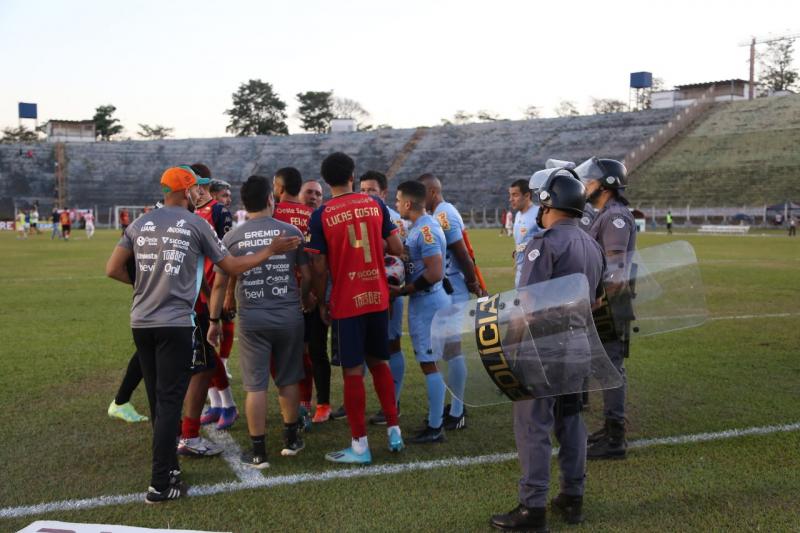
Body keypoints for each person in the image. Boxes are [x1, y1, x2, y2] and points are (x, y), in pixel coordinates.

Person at [105, 165, 300, 503]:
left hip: (141, 321)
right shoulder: (197, 223)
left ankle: (168, 469)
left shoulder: (139, 223)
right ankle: (160, 484)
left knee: (156, 399)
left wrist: (145, 286)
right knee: (169, 403)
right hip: (176, 323)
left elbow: (113, 269)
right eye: (196, 189)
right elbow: (233, 268)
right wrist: (270, 250)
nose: (200, 194)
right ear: (185, 191)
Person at [490, 168, 605, 532]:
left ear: (547, 202)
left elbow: (526, 306)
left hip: (544, 346)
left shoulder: (544, 242)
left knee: (533, 425)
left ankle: (532, 508)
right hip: (579, 344)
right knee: (570, 420)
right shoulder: (592, 243)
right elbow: (598, 300)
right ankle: (573, 497)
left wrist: (508, 352)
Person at [306, 152, 405, 464]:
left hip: (347, 299)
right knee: (380, 363)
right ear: (353, 175)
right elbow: (397, 248)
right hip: (377, 295)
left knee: (352, 371)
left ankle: (360, 445)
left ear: (326, 180)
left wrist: (323, 302)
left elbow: (319, 267)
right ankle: (394, 430)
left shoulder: (321, 214)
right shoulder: (375, 204)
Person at [207, 175, 312, 468]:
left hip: (252, 318)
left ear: (244, 203)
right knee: (289, 378)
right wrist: (302, 299)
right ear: (271, 199)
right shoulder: (290, 231)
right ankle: (291, 441)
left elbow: (219, 284)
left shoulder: (231, 237)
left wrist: (214, 320)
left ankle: (258, 452)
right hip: (289, 315)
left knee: (256, 386)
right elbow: (307, 276)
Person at [575, 157, 636, 460]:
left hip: (610, 301)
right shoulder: (603, 214)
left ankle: (615, 438)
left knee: (611, 368)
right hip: (602, 299)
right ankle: (610, 428)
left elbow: (615, 268)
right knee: (602, 366)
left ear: (606, 184)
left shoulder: (615, 217)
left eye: (590, 180)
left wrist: (600, 300)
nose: (585, 185)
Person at [418, 173, 484, 430]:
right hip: (447, 290)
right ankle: (456, 406)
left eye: (422, 193)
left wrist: (471, 282)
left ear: (433, 192)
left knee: (452, 350)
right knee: (446, 350)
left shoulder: (444, 214)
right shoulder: (439, 213)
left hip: (454, 290)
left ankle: (458, 411)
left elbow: (462, 252)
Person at [182, 163, 238, 447]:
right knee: (204, 353)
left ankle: (227, 403)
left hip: (213, 290)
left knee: (208, 352)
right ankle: (216, 403)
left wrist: (229, 293)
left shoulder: (219, 211)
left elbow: (228, 253)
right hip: (197, 291)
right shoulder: (192, 212)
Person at [393, 180, 450, 443]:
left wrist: (405, 290)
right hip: (429, 301)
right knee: (431, 363)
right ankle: (435, 419)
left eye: (397, 200)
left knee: (429, 364)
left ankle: (435, 425)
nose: (395, 205)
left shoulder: (425, 229)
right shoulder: (423, 226)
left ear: (407, 203)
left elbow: (436, 271)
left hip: (428, 302)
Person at [360, 170, 408, 425]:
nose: (366, 195)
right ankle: (354, 402)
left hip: (387, 292)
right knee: (363, 347)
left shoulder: (394, 219)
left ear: (384, 193)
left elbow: (400, 256)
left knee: (390, 345)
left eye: (371, 190)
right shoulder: (357, 215)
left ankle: (394, 402)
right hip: (361, 290)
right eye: (363, 190)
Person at [273, 167, 317, 428]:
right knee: (304, 353)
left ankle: (288, 405)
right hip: (306, 294)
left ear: (278, 188)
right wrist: (312, 293)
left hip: (276, 294)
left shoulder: (273, 215)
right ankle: (305, 405)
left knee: (276, 354)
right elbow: (317, 258)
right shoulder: (312, 214)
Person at [509, 179, 541, 287]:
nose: (511, 199)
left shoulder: (539, 213)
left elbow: (548, 242)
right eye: (510, 195)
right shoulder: (518, 215)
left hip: (533, 274)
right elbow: (525, 239)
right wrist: (518, 250)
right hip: (520, 271)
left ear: (527, 195)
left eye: (515, 195)